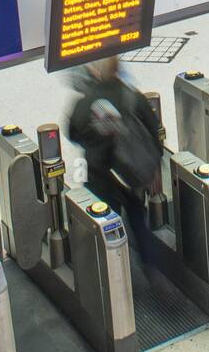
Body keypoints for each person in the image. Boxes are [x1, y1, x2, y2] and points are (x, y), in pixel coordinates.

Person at [68, 55, 163, 272]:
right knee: (138, 221)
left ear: (99, 72)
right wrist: (154, 169)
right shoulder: (133, 97)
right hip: (131, 175)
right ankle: (152, 270)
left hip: (99, 177)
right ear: (119, 71)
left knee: (105, 226)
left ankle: (112, 275)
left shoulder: (87, 101)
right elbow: (153, 131)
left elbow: (73, 132)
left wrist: (95, 139)